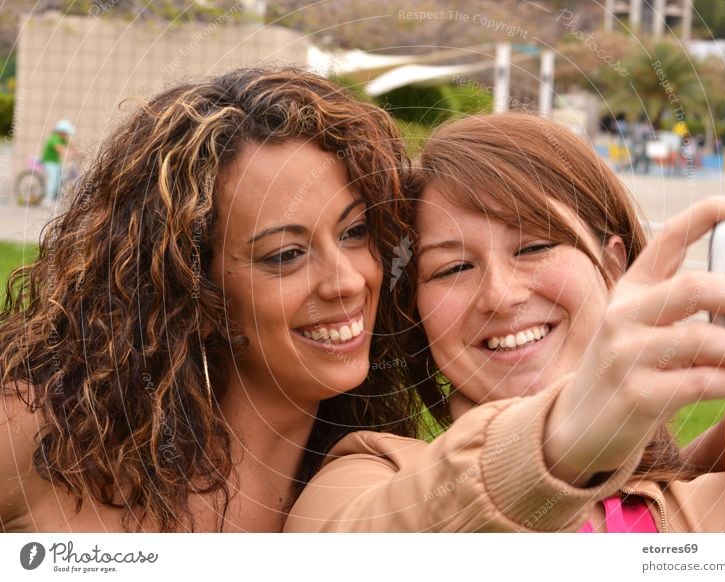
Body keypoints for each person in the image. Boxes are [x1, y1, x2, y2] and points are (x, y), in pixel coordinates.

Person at [286, 113, 725, 533]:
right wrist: (558, 442)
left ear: (615, 266)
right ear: (418, 313)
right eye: (454, 267)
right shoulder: (363, 477)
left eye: (534, 246)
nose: (500, 295)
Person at [0, 67, 420, 532]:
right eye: (285, 255)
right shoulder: (43, 431)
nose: (346, 282)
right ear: (191, 292)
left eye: (354, 232)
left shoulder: (381, 482)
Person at [40, 119, 75, 205]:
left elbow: (71, 146)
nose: (67, 135)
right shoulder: (54, 138)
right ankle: (48, 199)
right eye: (66, 133)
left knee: (61, 178)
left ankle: (55, 197)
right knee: (54, 178)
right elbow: (60, 149)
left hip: (56, 162)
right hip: (49, 162)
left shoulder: (63, 139)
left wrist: (78, 152)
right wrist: (68, 155)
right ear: (61, 132)